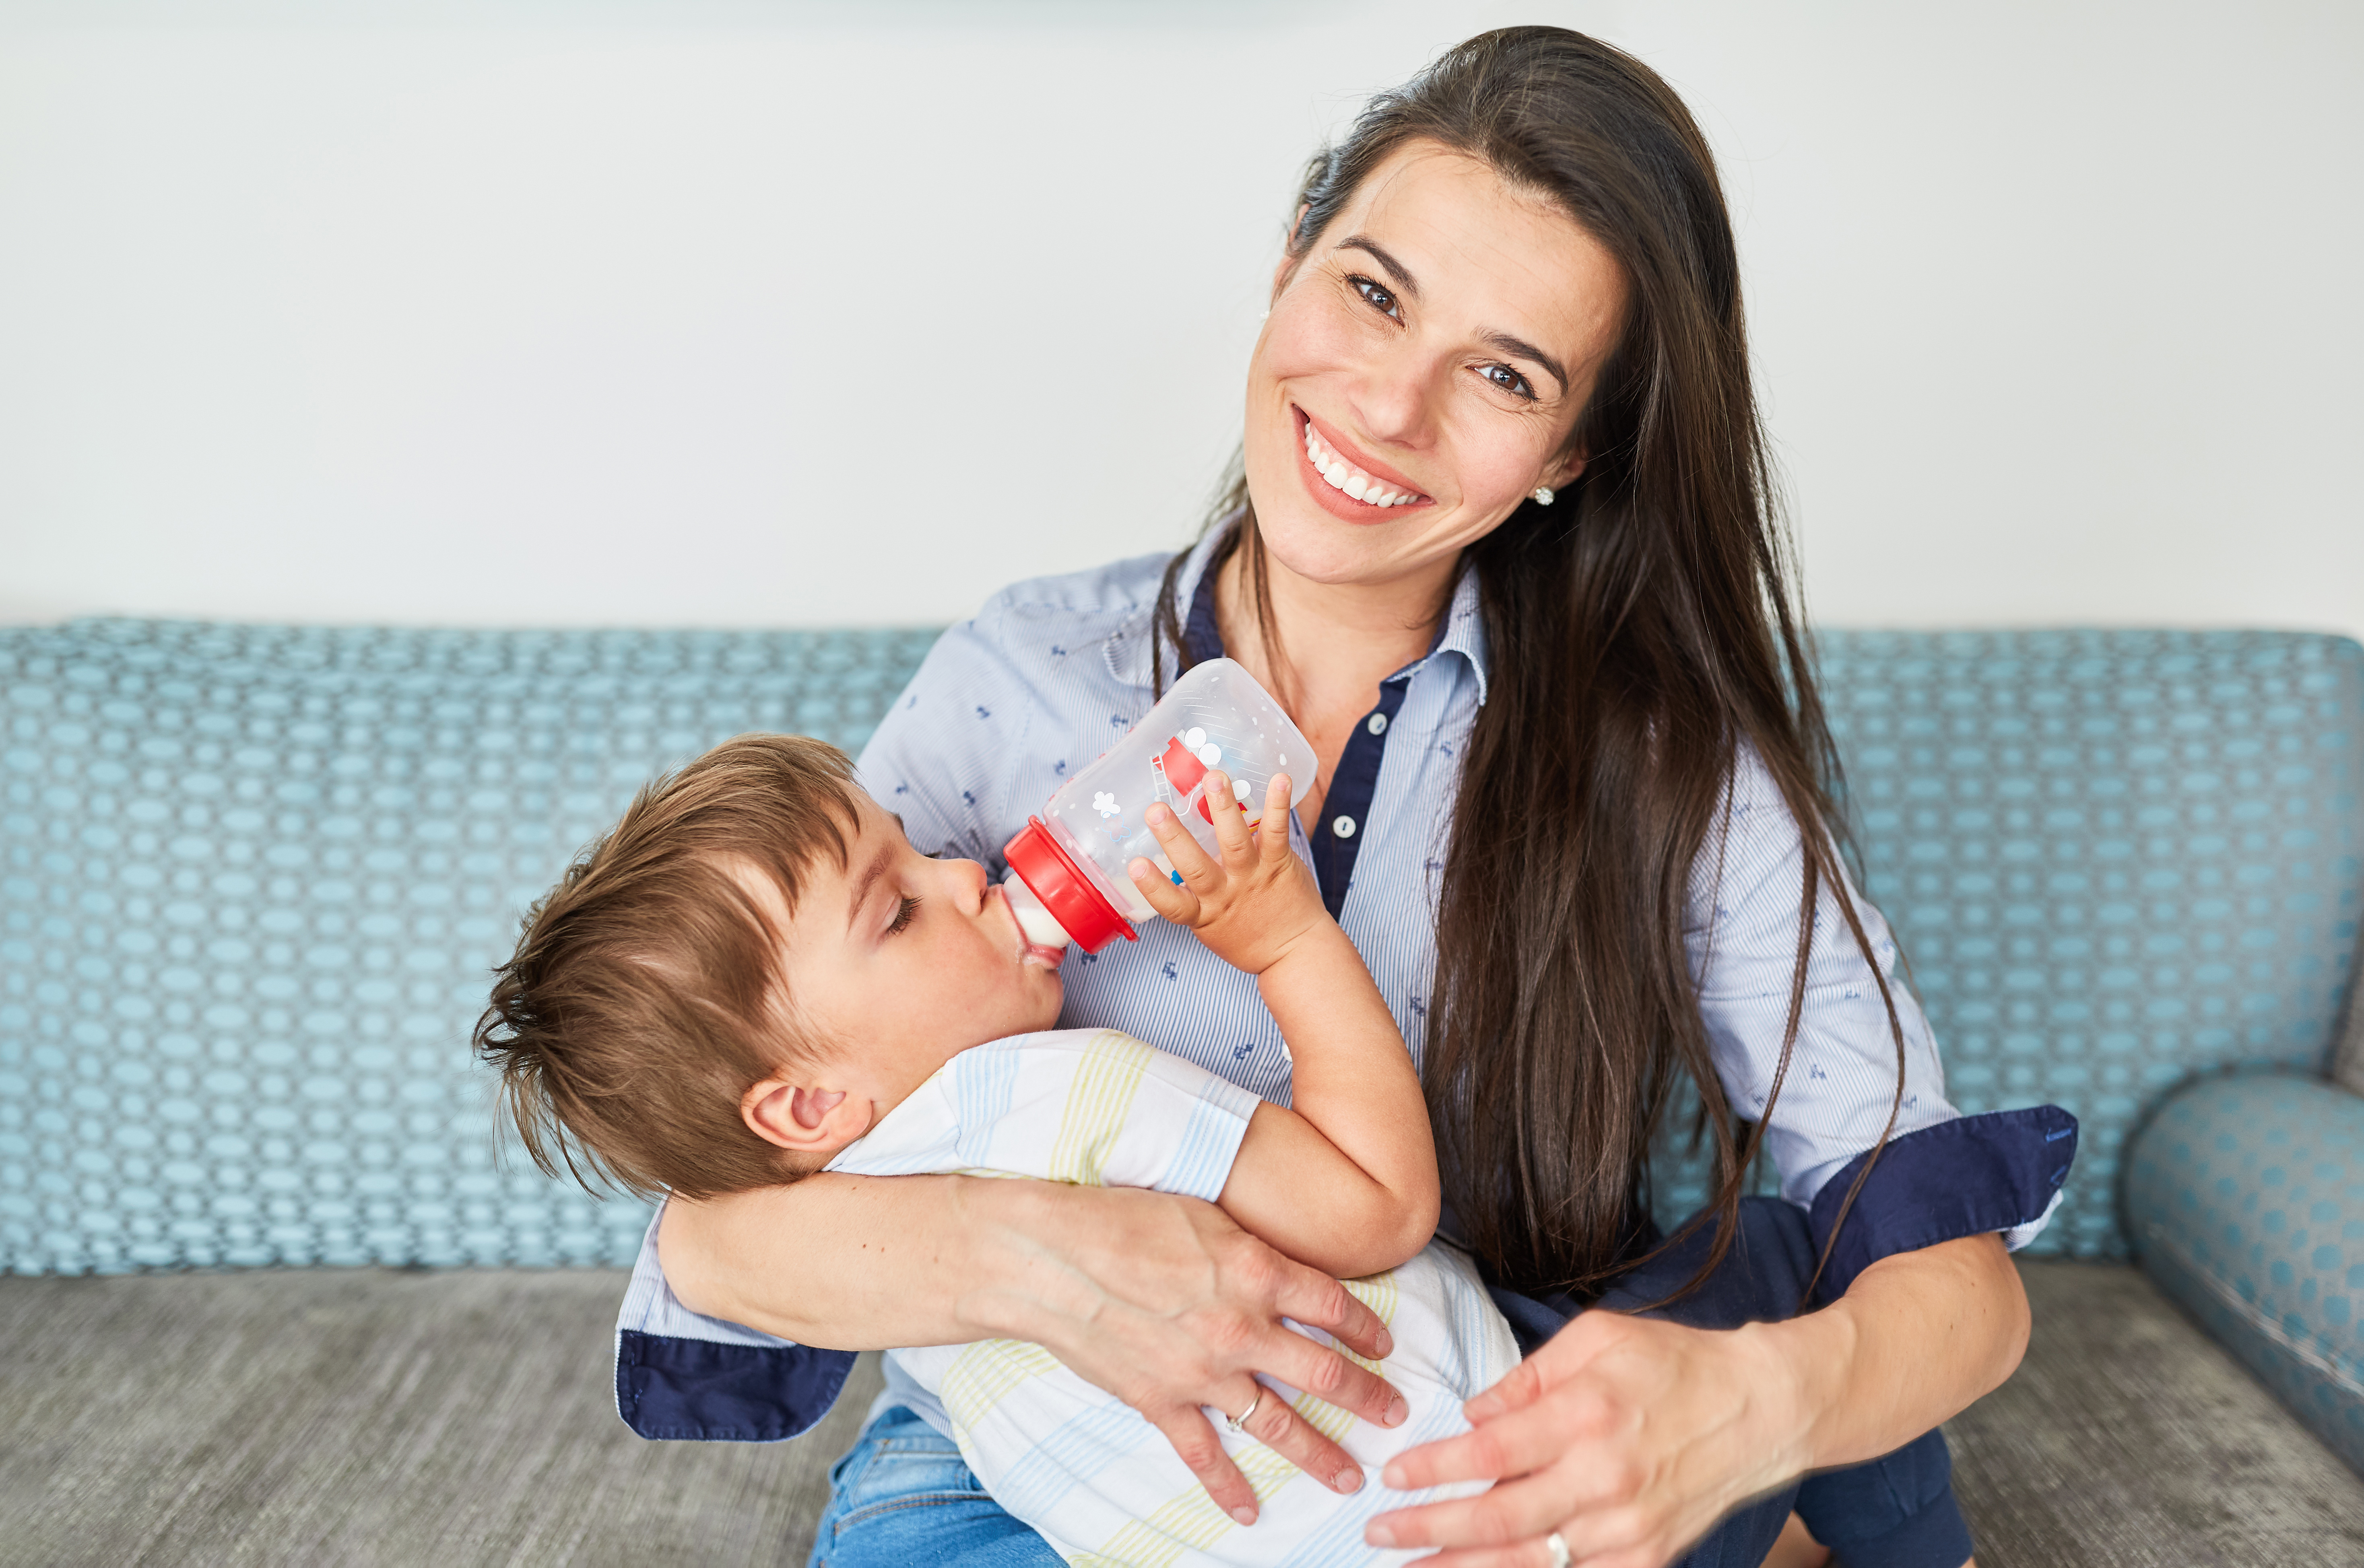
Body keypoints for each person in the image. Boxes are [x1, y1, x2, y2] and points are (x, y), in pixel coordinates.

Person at [632, 27, 2079, 1568]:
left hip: (1443, 1427)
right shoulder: (1025, 675)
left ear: (1569, 455)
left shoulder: (1668, 767)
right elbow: (717, 1226)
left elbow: (1959, 1293)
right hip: (1026, 1484)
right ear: (1286, 269)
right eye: (1372, 291)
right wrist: (1052, 1263)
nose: (1390, 408)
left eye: (1504, 373)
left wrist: (1764, 1402)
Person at [474, 730, 1520, 1563]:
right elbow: (1379, 1206)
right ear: (804, 1109)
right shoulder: (1064, 1091)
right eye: (897, 912)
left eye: (916, 851)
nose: (965, 875)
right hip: (1456, 1468)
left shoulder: (866, 1245)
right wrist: (1289, 941)